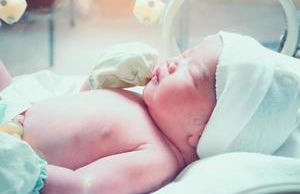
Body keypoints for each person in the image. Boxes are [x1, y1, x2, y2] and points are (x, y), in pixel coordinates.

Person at [1, 31, 300, 194]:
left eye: (190, 73)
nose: (173, 62)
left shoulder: (157, 157)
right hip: (15, 108)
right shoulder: (148, 105)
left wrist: (29, 174)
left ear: (203, 131)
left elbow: (84, 187)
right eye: (184, 55)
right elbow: (79, 113)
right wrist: (98, 81)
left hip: (14, 155)